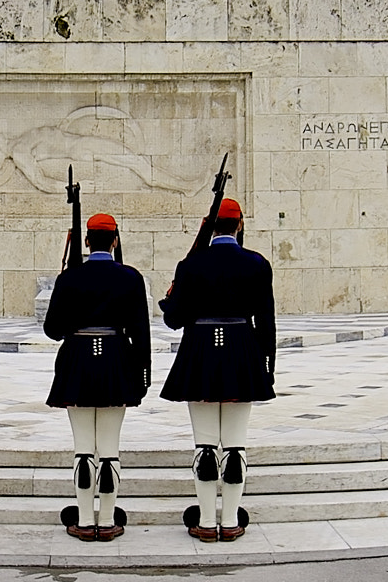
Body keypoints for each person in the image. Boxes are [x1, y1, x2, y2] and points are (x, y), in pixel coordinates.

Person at [159, 198, 274, 542]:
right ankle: (232, 521)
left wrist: (170, 299)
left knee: (205, 446)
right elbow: (266, 322)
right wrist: (266, 366)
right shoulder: (256, 264)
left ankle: (207, 522)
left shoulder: (191, 264)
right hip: (242, 351)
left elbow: (174, 320)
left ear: (210, 225)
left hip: (201, 353)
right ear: (239, 225)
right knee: (235, 446)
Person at [43, 212, 152, 542]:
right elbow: (140, 332)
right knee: (109, 448)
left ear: (87, 242)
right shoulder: (130, 278)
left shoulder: (69, 278)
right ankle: (107, 520)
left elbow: (52, 330)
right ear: (115, 241)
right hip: (117, 359)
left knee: (83, 449)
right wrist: (143, 372)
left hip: (77, 359)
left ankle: (84, 519)